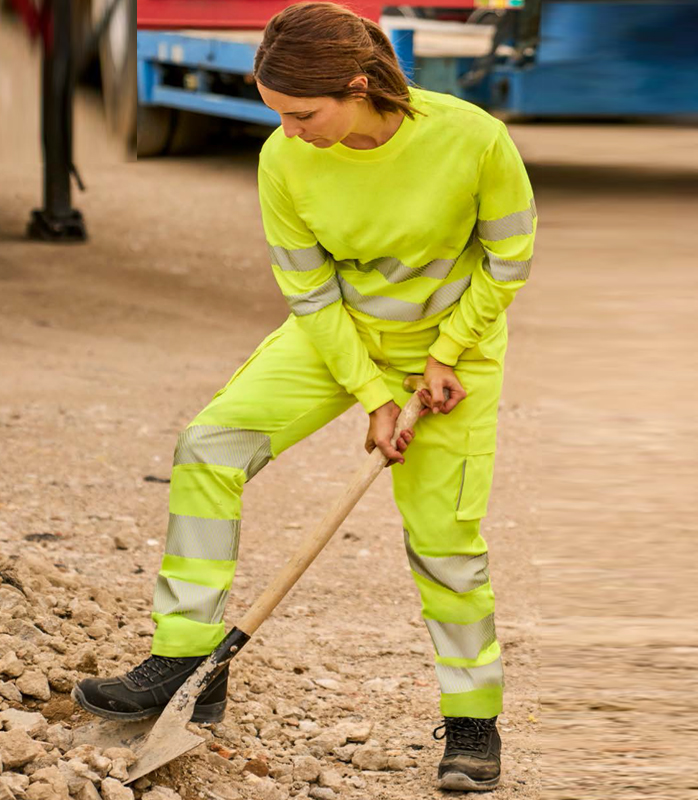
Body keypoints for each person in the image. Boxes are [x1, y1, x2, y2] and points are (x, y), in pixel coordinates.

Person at [72, 2, 536, 792]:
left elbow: (508, 255)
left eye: (301, 113)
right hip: (337, 338)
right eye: (277, 114)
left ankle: (471, 722)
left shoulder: (472, 138)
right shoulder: (284, 160)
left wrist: (448, 354)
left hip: (450, 359)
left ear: (359, 86)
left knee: (445, 543)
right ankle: (187, 661)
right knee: (211, 446)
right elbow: (309, 289)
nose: (288, 130)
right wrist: (371, 394)